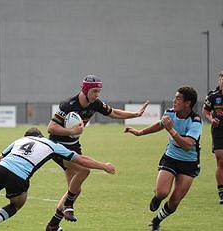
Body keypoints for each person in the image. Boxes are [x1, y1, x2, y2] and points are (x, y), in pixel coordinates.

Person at [0, 127, 116, 231]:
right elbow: (81, 160)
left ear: (27, 136)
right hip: (19, 177)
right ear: (40, 136)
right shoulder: (52, 145)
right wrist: (104, 166)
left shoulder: (18, 141)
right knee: (16, 205)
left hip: (0, 169)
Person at [45, 74, 149, 231]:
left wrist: (134, 114)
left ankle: (53, 225)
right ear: (86, 90)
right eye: (94, 91)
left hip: (74, 145)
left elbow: (113, 113)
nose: (97, 95)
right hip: (58, 146)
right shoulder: (68, 105)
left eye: (98, 91)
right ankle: (68, 205)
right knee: (84, 170)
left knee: (74, 189)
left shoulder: (95, 103)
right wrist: (72, 130)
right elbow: (51, 128)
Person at [124, 86, 202, 231]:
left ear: (188, 103)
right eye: (175, 97)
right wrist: (140, 132)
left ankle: (157, 220)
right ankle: (157, 198)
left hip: (189, 163)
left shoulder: (195, 121)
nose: (174, 101)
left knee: (175, 201)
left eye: (178, 98)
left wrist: (171, 130)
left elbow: (188, 145)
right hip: (171, 157)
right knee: (162, 192)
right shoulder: (170, 113)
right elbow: (160, 125)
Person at [202, 70, 223, 204]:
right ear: (219, 81)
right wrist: (211, 119)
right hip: (219, 131)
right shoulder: (212, 96)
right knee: (221, 161)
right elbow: (205, 111)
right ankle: (222, 192)